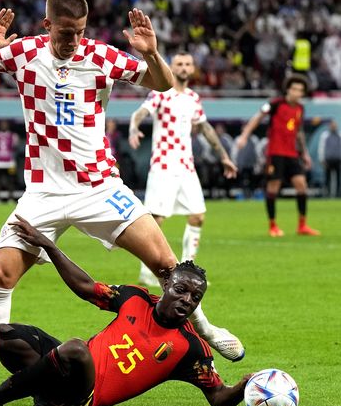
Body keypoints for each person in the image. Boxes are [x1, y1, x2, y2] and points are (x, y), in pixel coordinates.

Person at [0, 0, 243, 394]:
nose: (73, 41)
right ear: (48, 25)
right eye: (66, 33)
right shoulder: (24, 53)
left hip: (100, 187)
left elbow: (161, 83)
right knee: (0, 274)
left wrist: (152, 54)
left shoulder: (100, 56)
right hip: (44, 193)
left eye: (80, 32)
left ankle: (206, 328)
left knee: (167, 265)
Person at [0, 215, 251, 406]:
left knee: (75, 348)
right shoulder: (135, 298)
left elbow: (217, 396)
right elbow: (86, 287)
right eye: (182, 289)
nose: (187, 299)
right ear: (166, 282)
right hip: (61, 374)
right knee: (5, 332)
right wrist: (48, 245)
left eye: (195, 296)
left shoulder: (190, 347)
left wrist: (244, 387)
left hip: (82, 396)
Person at [128, 52, 237, 287]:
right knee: (156, 219)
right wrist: (133, 128)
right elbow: (140, 112)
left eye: (188, 64)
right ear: (172, 67)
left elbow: (205, 128)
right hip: (163, 165)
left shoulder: (193, 98)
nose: (184, 67)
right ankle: (147, 269)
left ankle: (188, 269)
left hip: (186, 166)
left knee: (197, 216)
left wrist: (224, 157)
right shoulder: (160, 92)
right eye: (179, 64)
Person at [236, 74, 320, 237]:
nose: (297, 93)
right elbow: (257, 117)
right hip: (276, 153)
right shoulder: (275, 104)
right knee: (273, 187)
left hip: (292, 154)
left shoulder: (300, 109)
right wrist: (244, 136)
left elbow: (299, 132)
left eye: (300, 90)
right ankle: (272, 225)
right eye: (294, 89)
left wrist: (305, 154)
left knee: (302, 186)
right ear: (288, 89)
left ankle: (302, 225)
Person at [0, 120, 19, 202]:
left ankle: (11, 198)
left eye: (5, 124)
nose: (4, 126)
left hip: (10, 162)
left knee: (11, 181)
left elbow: (15, 146)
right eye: (2, 124)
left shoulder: (13, 135)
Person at [318, 120, 340, 197]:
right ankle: (327, 193)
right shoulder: (325, 135)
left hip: (338, 159)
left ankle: (338, 193)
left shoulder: (339, 135)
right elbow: (321, 147)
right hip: (328, 159)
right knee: (327, 178)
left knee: (338, 178)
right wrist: (322, 159)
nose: (333, 127)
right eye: (332, 125)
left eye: (335, 125)